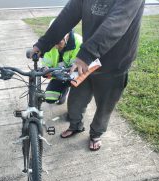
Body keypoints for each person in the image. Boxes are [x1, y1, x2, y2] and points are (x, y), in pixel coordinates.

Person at [31, 0, 145, 151]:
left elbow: (117, 22)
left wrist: (86, 54)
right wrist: (43, 44)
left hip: (114, 62)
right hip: (86, 62)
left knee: (105, 106)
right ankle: (76, 125)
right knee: (76, 100)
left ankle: (96, 133)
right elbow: (68, 15)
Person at [42, 19, 82, 105]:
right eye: (53, 41)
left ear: (67, 36)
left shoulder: (79, 42)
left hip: (77, 76)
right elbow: (46, 64)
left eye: (59, 42)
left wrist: (66, 73)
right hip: (58, 75)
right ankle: (64, 91)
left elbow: (79, 68)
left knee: (75, 104)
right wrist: (46, 71)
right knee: (49, 98)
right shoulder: (50, 44)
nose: (56, 46)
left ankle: (71, 91)